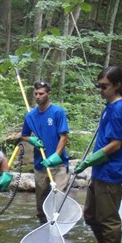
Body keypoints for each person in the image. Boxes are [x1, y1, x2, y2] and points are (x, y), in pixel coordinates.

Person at [75, 66, 122, 243]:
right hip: (100, 171)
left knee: (108, 220)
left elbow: (116, 144)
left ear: (117, 86)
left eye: (104, 86)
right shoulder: (109, 107)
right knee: (91, 216)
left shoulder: (119, 109)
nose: (100, 90)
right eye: (98, 86)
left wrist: (89, 161)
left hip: (111, 172)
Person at [20, 80, 70, 223]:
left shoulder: (57, 112)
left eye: (41, 93)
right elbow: (24, 135)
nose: (38, 96)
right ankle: (43, 226)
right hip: (40, 165)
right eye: (36, 93)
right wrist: (31, 140)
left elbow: (64, 136)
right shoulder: (30, 116)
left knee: (58, 199)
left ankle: (60, 229)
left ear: (48, 94)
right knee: (41, 203)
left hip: (59, 165)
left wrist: (56, 155)